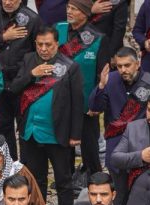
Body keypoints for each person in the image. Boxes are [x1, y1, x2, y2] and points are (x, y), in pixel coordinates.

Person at [10, 26, 83, 205]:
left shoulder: (70, 66)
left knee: (63, 179)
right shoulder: (28, 60)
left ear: (57, 44)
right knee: (35, 178)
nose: (43, 49)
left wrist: (75, 134)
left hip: (56, 133)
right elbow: (14, 88)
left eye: (48, 45)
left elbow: (77, 102)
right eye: (40, 44)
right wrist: (31, 74)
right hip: (31, 132)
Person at [89, 47, 150, 205]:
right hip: (115, 143)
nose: (123, 70)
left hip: (142, 143)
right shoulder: (110, 80)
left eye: (127, 65)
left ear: (137, 64)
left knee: (140, 190)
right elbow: (95, 108)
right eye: (119, 66)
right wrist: (101, 85)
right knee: (119, 191)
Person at [0, 0, 41, 157]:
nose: (7, 2)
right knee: (4, 124)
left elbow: (37, 51)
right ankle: (10, 162)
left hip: (22, 80)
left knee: (24, 124)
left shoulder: (32, 18)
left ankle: (25, 165)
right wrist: (4, 37)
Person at [59, 0, 109, 178]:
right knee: (64, 143)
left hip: (86, 101)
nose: (69, 12)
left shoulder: (98, 38)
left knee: (89, 144)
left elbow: (100, 76)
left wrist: (96, 102)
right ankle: (67, 176)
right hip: (61, 100)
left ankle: (95, 177)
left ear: (85, 13)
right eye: (68, 8)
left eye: (74, 9)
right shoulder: (58, 30)